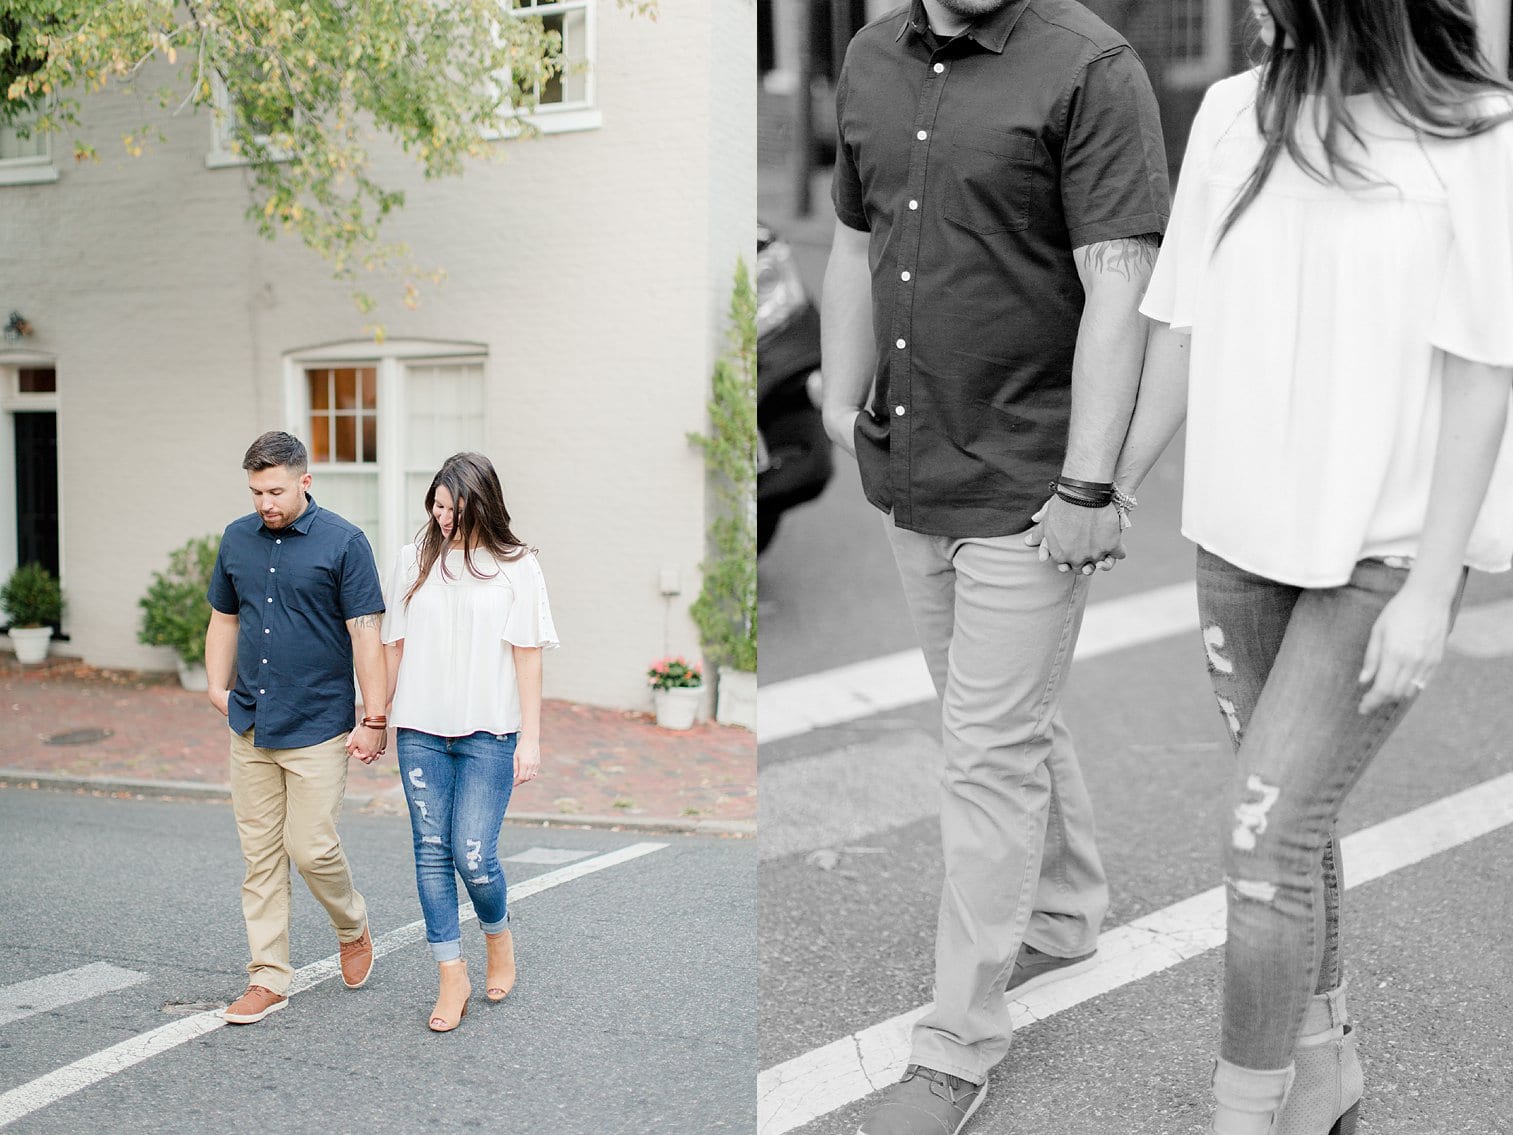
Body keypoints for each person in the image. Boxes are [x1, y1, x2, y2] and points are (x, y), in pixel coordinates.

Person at [1111, 1, 1513, 1130]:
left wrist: (1433, 588)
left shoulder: (1476, 133)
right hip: (1238, 540)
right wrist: (1107, 484)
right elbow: (1179, 327)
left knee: (1259, 831)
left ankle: (1241, 1111)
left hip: (1381, 551)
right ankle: (1324, 1062)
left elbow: (1485, 369)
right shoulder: (1232, 115)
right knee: (1291, 825)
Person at [819, 1, 1170, 1130]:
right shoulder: (869, 54)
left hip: (1028, 475)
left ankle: (956, 1043)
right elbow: (854, 237)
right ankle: (1063, 909)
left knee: (984, 750)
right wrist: (836, 394)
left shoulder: (1091, 68)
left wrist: (1089, 485)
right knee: (995, 718)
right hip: (909, 466)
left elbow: (1121, 283)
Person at [205, 431, 389, 1025]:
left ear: (304, 481)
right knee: (259, 858)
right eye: (257, 491)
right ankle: (268, 977)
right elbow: (224, 617)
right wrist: (215, 687)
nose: (266, 502)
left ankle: (352, 924)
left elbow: (366, 632)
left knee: (310, 848)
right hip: (251, 725)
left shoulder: (344, 543)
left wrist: (375, 717)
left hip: (316, 725)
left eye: (276, 490)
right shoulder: (236, 538)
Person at [379, 452, 556, 1032]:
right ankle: (450, 972)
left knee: (473, 855)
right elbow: (394, 645)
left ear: (482, 505)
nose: (443, 517)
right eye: (436, 504)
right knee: (431, 850)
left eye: (454, 508)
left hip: (490, 730)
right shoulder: (413, 560)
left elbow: (526, 654)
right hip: (421, 730)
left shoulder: (516, 565)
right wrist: (375, 718)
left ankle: (497, 934)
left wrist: (531, 738)